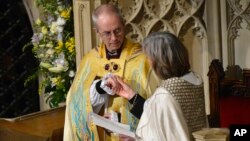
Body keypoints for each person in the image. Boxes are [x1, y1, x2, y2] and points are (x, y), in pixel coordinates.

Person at [63, 4, 159, 141]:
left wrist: (120, 120)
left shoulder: (143, 58)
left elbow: (156, 109)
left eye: (117, 31)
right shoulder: (90, 60)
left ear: (124, 25)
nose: (113, 38)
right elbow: (76, 105)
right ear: (97, 32)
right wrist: (99, 88)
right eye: (107, 33)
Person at [108, 31, 208, 141]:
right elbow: (162, 118)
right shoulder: (194, 79)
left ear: (158, 61)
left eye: (149, 58)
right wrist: (130, 95)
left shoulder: (164, 94)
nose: (149, 63)